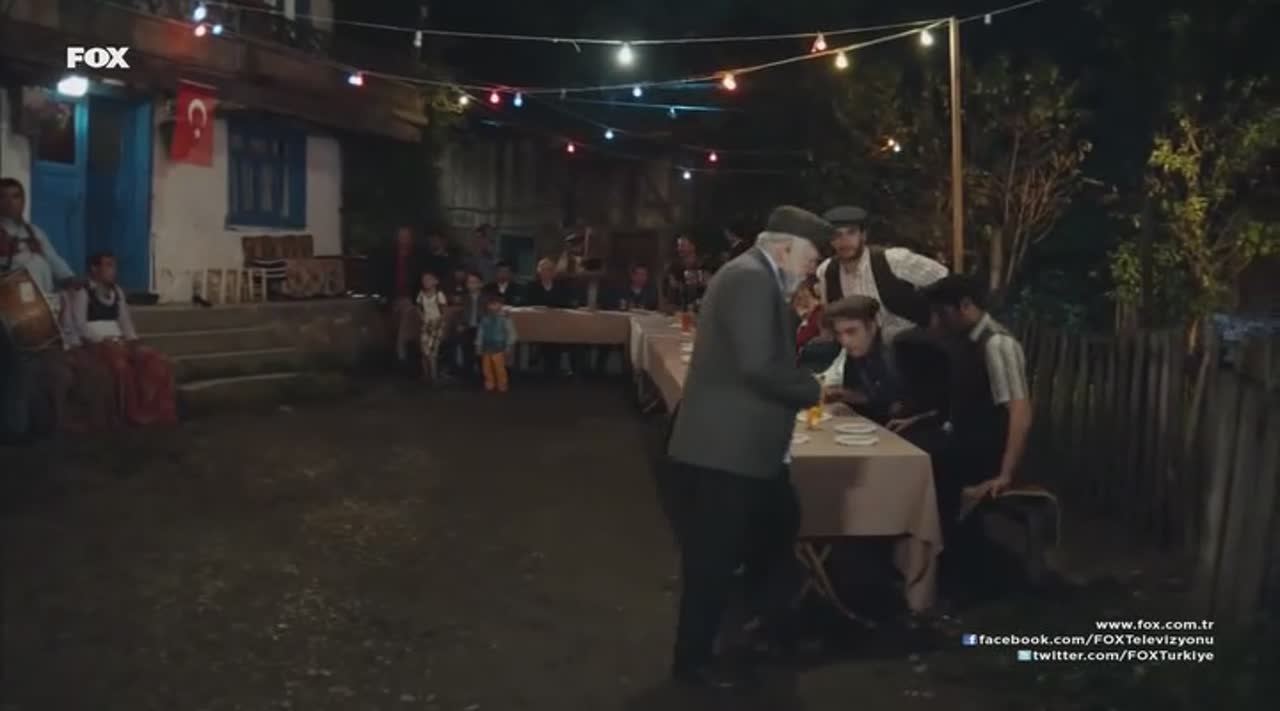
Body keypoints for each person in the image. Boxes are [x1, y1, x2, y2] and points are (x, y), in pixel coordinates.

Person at [666, 206, 832, 689]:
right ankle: (694, 661)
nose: (813, 269)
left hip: (748, 451)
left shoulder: (754, 277)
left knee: (777, 533)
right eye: (811, 258)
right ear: (786, 247)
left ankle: (772, 630)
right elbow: (758, 366)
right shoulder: (751, 279)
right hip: (727, 451)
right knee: (713, 560)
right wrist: (812, 389)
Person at [923, 275, 1033, 506]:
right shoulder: (964, 341)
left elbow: (1020, 411)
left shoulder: (997, 344)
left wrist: (1005, 474)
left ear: (965, 305)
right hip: (963, 444)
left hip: (984, 457)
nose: (939, 321)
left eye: (943, 313)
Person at [1, 177, 80, 440]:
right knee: (17, 367)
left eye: (15, 196)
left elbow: (53, 258)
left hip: (39, 308)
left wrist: (69, 278)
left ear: (23, 201)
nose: (10, 202)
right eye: (4, 197)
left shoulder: (35, 232)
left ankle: (35, 423)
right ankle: (14, 428)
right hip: (8, 312)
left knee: (40, 367)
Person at [68, 252, 177, 427]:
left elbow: (125, 321)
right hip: (98, 343)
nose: (113, 271)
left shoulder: (117, 292)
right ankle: (132, 414)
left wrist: (133, 340)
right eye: (108, 266)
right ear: (95, 269)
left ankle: (157, 412)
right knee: (121, 366)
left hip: (120, 341)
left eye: (114, 266)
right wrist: (101, 340)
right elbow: (79, 324)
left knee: (156, 360)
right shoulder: (84, 292)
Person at [816, 206, 947, 344]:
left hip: (912, 344)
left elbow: (944, 279)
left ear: (863, 235)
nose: (844, 241)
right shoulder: (827, 271)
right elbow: (830, 319)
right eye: (837, 235)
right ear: (830, 240)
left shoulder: (894, 260)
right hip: (862, 350)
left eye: (851, 233)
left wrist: (938, 325)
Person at [818, 295, 936, 427]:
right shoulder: (855, 352)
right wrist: (849, 401)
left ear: (872, 326)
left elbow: (916, 405)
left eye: (851, 332)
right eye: (839, 334)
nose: (845, 341)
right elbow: (863, 401)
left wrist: (866, 399)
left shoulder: (901, 347)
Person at [373, 225, 426, 367]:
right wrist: (382, 296)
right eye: (402, 237)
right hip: (392, 299)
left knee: (409, 312)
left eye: (407, 237)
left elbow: (420, 282)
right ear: (397, 238)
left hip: (411, 300)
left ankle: (403, 355)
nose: (404, 240)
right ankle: (397, 355)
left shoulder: (417, 258)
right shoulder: (388, 257)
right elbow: (380, 279)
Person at [525, 258, 572, 377]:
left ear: (554, 272)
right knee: (543, 343)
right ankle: (541, 368)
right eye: (544, 269)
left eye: (550, 269)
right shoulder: (532, 286)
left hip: (557, 325)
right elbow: (526, 304)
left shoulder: (562, 287)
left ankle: (553, 371)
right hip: (536, 325)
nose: (547, 272)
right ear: (539, 271)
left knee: (556, 342)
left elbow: (567, 304)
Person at [475, 294, 518, 393]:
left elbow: (511, 333)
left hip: (500, 346)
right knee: (486, 367)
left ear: (501, 305)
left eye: (496, 304)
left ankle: (502, 383)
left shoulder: (505, 318)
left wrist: (509, 346)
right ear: (487, 305)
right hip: (486, 346)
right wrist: (478, 344)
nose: (493, 306)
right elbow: (480, 333)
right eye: (491, 304)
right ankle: (489, 382)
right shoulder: (484, 318)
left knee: (499, 367)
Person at [449, 271, 487, 379]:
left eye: (475, 282)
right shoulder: (464, 298)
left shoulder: (486, 298)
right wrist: (460, 324)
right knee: (467, 350)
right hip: (467, 328)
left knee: (481, 352)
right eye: (470, 282)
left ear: (481, 284)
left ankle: (483, 375)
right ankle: (467, 375)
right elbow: (458, 314)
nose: (472, 285)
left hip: (482, 328)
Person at [415, 271, 449, 386]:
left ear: (436, 281)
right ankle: (426, 375)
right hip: (426, 324)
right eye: (424, 280)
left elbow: (444, 311)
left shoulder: (439, 295)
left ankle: (433, 377)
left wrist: (441, 323)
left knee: (433, 352)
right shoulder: (421, 294)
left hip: (436, 324)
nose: (426, 282)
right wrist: (422, 317)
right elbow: (418, 307)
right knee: (424, 351)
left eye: (429, 279)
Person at [663, 236, 710, 311]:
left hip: (701, 308)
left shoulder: (704, 265)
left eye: (682, 245)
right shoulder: (674, 267)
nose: (679, 249)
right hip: (678, 309)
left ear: (692, 247)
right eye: (678, 246)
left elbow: (707, 285)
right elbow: (670, 288)